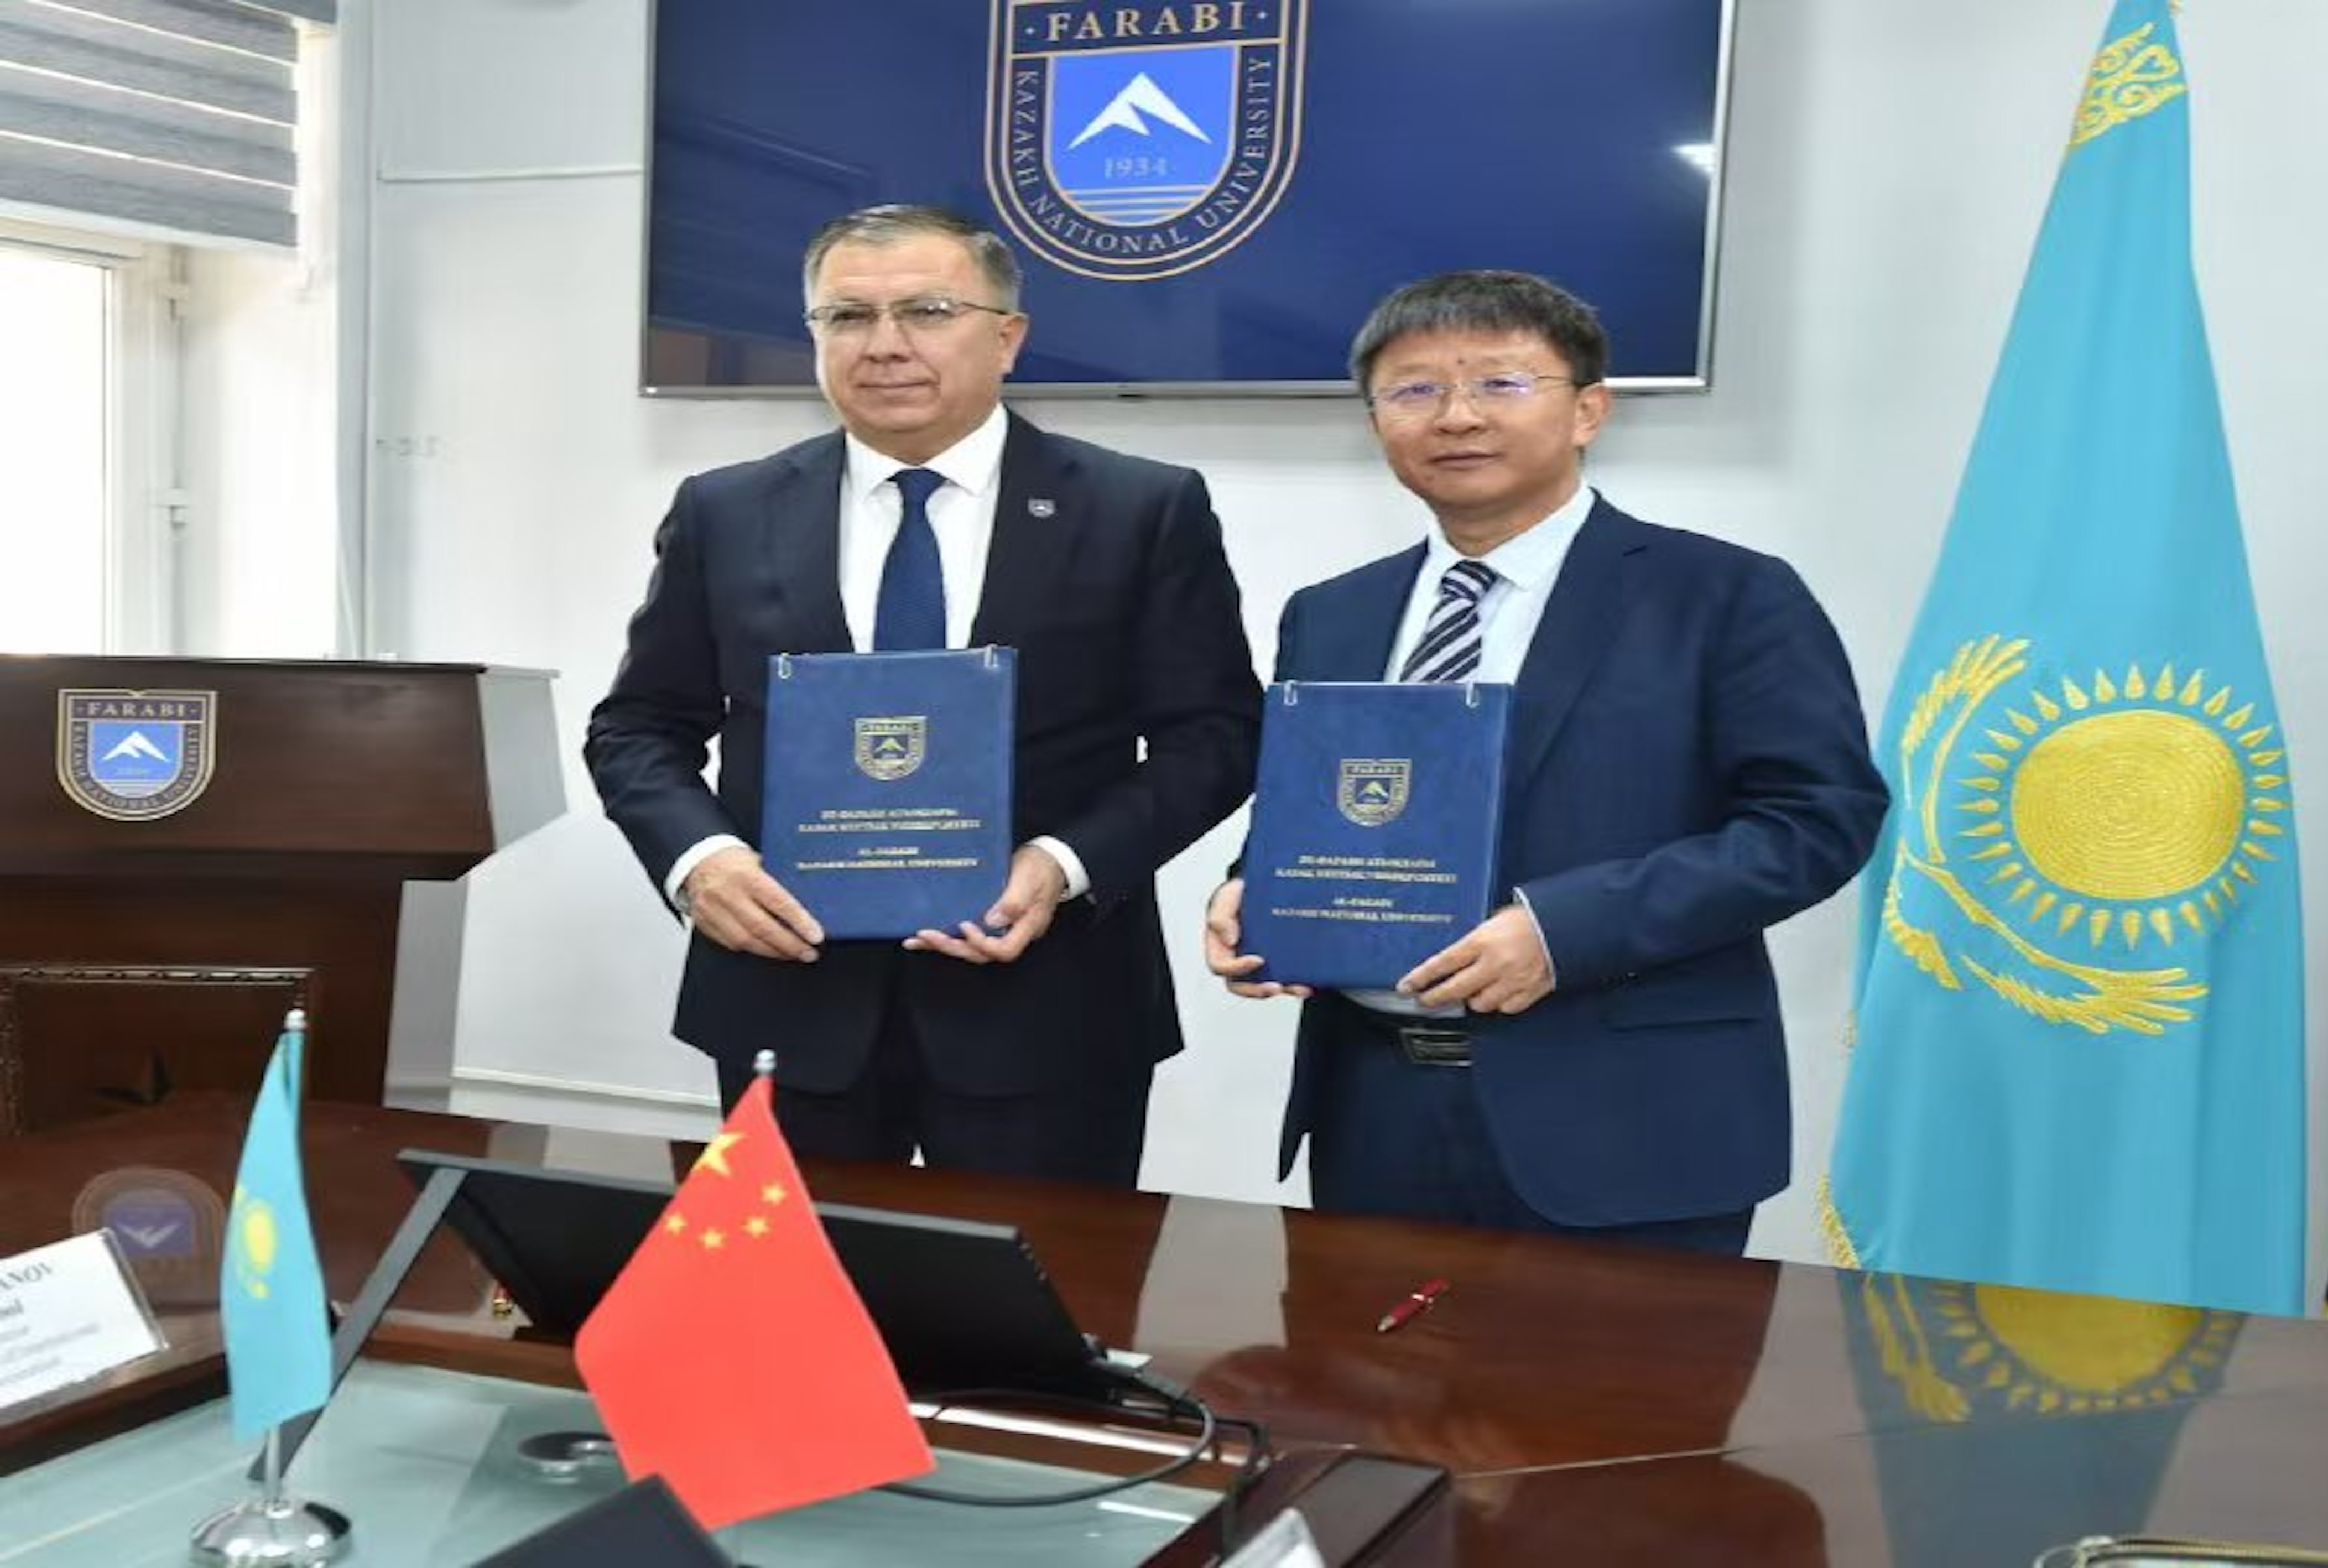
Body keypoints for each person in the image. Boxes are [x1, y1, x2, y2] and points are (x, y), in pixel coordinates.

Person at [1205, 270, 1887, 1252]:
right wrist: (1256, 888)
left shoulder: (1726, 595)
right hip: (1374, 1111)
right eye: (1415, 390)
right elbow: (1328, 803)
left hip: (1627, 1122)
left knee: (1624, 1364)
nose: (1456, 416)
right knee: (1358, 1359)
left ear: (1589, 410)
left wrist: (1564, 931)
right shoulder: (1333, 612)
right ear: (1376, 419)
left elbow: (1816, 822)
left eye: (1501, 383)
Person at [587, 204, 1261, 1186]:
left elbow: (1215, 737)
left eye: (929, 312)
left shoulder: (1140, 507)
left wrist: (1062, 865)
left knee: (1042, 1287)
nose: (886, 345)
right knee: (801, 1285)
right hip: (789, 1000)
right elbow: (639, 726)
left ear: (1007, 337)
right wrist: (702, 862)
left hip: (1049, 1008)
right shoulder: (725, 510)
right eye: (847, 317)